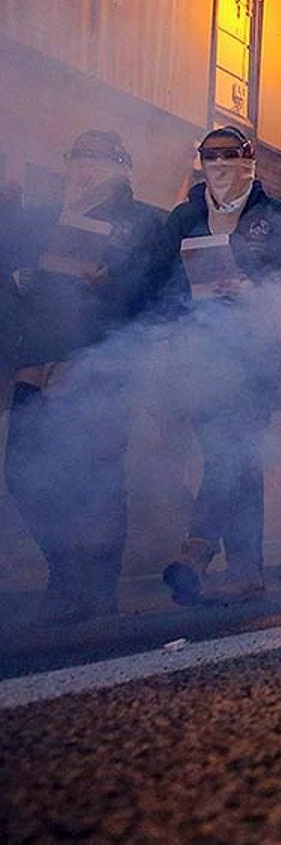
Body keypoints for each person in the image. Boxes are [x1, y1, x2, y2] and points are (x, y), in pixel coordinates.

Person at [3, 130, 166, 622]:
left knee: (96, 477)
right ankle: (62, 568)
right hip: (37, 360)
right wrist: (17, 279)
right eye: (78, 157)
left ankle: (96, 583)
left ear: (123, 168)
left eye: (99, 160)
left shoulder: (143, 222)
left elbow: (151, 290)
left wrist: (110, 283)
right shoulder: (39, 214)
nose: (86, 168)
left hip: (100, 363)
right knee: (24, 476)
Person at [156, 127, 281, 603]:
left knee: (231, 452)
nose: (219, 163)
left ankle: (197, 548)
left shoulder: (277, 217)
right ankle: (247, 568)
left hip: (255, 354)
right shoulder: (184, 217)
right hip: (199, 352)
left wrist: (254, 290)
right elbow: (159, 279)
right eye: (209, 155)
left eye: (229, 154)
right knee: (231, 458)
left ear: (249, 160)